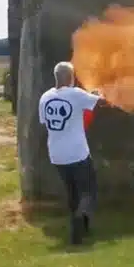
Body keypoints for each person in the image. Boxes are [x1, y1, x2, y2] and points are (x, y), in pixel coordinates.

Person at [39, 61, 104, 245]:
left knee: (73, 192)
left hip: (56, 155)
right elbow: (100, 100)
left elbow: (45, 122)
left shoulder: (45, 97)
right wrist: (97, 94)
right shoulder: (75, 94)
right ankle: (79, 220)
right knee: (89, 191)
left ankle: (80, 229)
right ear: (71, 77)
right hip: (77, 153)